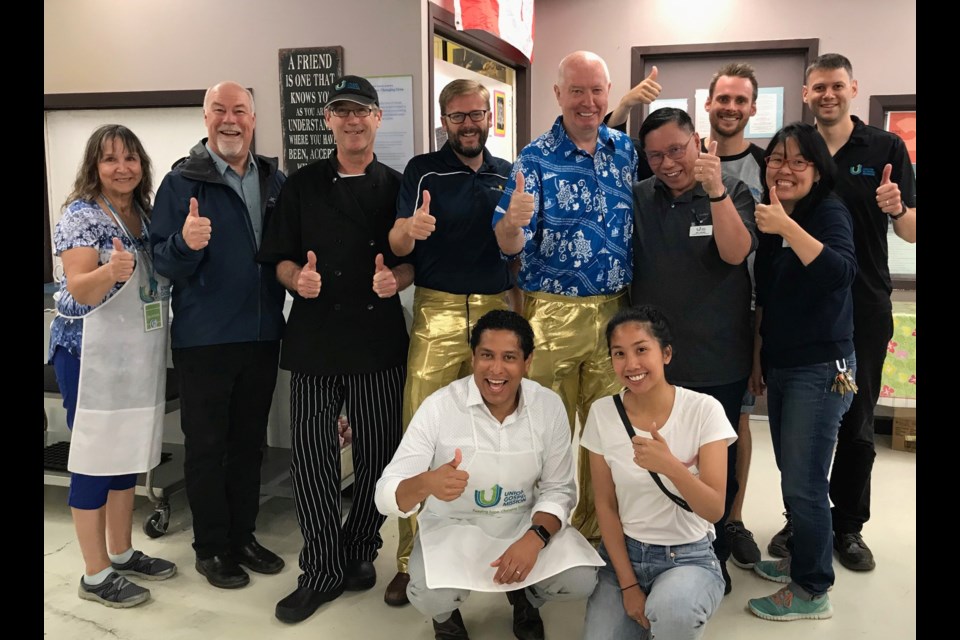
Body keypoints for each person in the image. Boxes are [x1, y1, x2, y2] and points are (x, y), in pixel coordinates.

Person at [256, 75, 413, 624]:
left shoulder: (397, 184)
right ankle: (320, 569)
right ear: (329, 120)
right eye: (342, 112)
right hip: (316, 339)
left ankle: (361, 547)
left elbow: (416, 258)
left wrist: (398, 278)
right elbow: (276, 257)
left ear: (377, 120)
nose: (352, 120)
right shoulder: (299, 186)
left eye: (362, 112)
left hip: (378, 338)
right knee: (312, 461)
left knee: (378, 455)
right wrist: (296, 277)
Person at [764, 53, 917, 571]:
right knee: (796, 431)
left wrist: (898, 207)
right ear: (806, 94)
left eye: (836, 86)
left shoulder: (885, 146)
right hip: (800, 310)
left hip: (863, 302)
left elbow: (911, 230)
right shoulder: (795, 151)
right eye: (818, 88)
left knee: (855, 422)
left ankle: (848, 526)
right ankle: (802, 518)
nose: (827, 95)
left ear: (853, 87)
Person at [375, 310, 601, 640]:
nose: (496, 370)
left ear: (528, 361)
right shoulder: (440, 407)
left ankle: (527, 599)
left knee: (580, 579)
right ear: (473, 358)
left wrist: (534, 537)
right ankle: (446, 617)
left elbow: (559, 490)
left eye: (509, 357)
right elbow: (386, 492)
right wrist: (426, 483)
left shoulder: (547, 406)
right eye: (486, 356)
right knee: (427, 592)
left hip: (521, 523)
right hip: (455, 527)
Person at [493, 51, 638, 544]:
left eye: (597, 90)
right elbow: (507, 242)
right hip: (551, 313)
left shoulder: (626, 151)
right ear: (558, 95)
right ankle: (536, 535)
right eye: (576, 90)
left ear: (608, 93)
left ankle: (596, 535)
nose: (588, 101)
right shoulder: (532, 160)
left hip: (616, 314)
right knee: (546, 432)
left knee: (605, 432)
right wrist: (512, 223)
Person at [150, 81, 287, 590]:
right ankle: (211, 547)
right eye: (219, 111)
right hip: (203, 339)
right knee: (207, 446)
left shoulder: (274, 179)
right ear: (205, 118)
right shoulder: (181, 182)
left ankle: (242, 536)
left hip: (261, 334)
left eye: (241, 111)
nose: (231, 120)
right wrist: (185, 245)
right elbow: (161, 260)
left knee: (248, 444)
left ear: (253, 119)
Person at [383, 79, 513, 607]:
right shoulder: (423, 169)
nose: (468, 123)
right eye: (457, 116)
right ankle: (409, 559)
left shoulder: (510, 173)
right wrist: (410, 229)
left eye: (476, 114)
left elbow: (518, 255)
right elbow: (395, 242)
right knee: (422, 432)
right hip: (436, 311)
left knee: (498, 435)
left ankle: (496, 547)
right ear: (444, 121)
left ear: (489, 117)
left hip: (495, 314)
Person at [630, 107, 756, 594]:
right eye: (655, 155)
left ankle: (714, 553)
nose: (667, 163)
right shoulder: (639, 197)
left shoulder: (731, 189)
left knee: (713, 466)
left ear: (697, 142)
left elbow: (734, 251)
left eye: (676, 150)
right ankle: (659, 551)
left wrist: (716, 190)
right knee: (659, 463)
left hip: (718, 355)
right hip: (653, 366)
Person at [50, 124, 176, 608]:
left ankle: (122, 552)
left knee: (126, 458)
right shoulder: (81, 217)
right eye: (109, 159)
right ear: (94, 167)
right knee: (92, 462)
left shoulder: (142, 214)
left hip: (134, 356)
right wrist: (109, 271)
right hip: (88, 356)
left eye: (130, 159)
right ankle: (96, 573)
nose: (121, 168)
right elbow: (77, 288)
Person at [746, 122, 858, 621]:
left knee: (807, 481)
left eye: (798, 161)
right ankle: (801, 563)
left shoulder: (827, 210)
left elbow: (840, 273)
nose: (785, 169)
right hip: (787, 364)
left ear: (817, 168)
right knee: (794, 472)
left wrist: (787, 226)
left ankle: (812, 588)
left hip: (824, 366)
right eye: (776, 159)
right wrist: (759, 360)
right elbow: (767, 299)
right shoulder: (770, 218)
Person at [581, 305, 733, 639]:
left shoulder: (704, 410)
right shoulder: (603, 413)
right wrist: (629, 585)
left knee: (672, 613)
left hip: (689, 555)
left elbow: (714, 509)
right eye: (619, 353)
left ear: (666, 354)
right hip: (625, 554)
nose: (631, 364)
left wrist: (671, 468)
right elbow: (605, 505)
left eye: (641, 350)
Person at [702, 62, 767, 572]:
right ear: (709, 103)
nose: (730, 108)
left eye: (740, 100)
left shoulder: (768, 168)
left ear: (752, 108)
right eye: (723, 99)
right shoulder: (680, 158)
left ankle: (732, 518)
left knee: (736, 419)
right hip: (684, 311)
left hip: (743, 310)